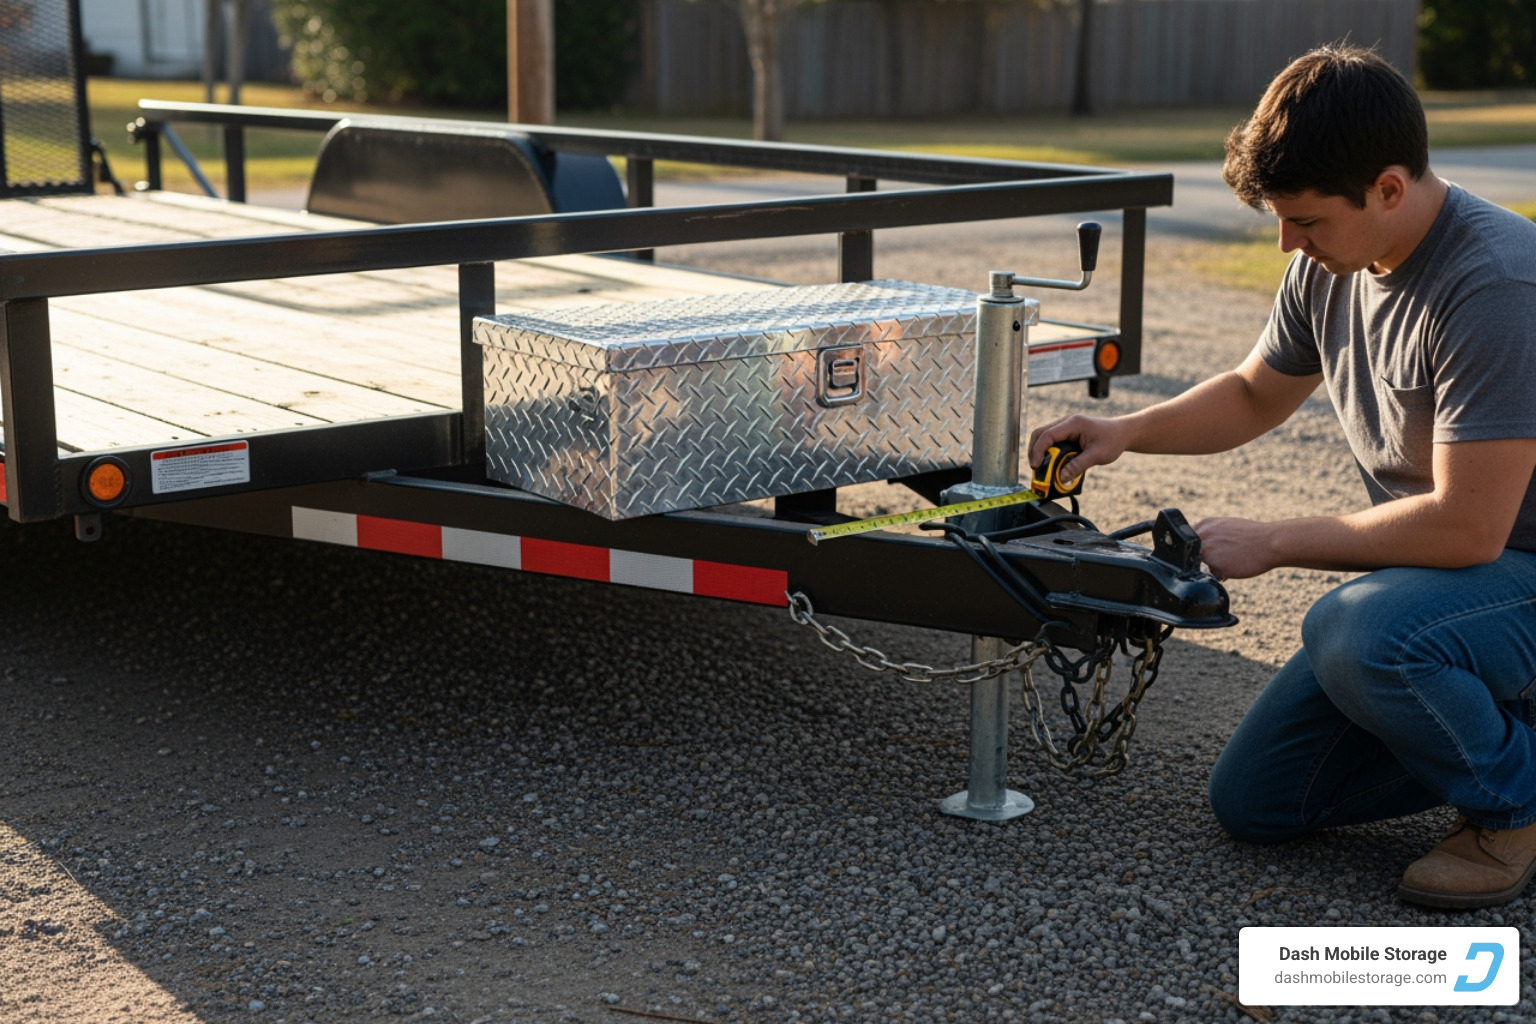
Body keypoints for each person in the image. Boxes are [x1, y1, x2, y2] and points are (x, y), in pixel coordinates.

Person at [1028, 44, 1536, 909]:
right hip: (1449, 582)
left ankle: (1513, 803)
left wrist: (1272, 542)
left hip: (1509, 568)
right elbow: (1256, 392)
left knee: (1360, 634)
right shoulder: (1331, 261)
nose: (1285, 242)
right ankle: (1498, 728)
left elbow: (1467, 528)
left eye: (1304, 221)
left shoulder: (1496, 282)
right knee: (1259, 801)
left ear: (1387, 187)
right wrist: (1122, 432)